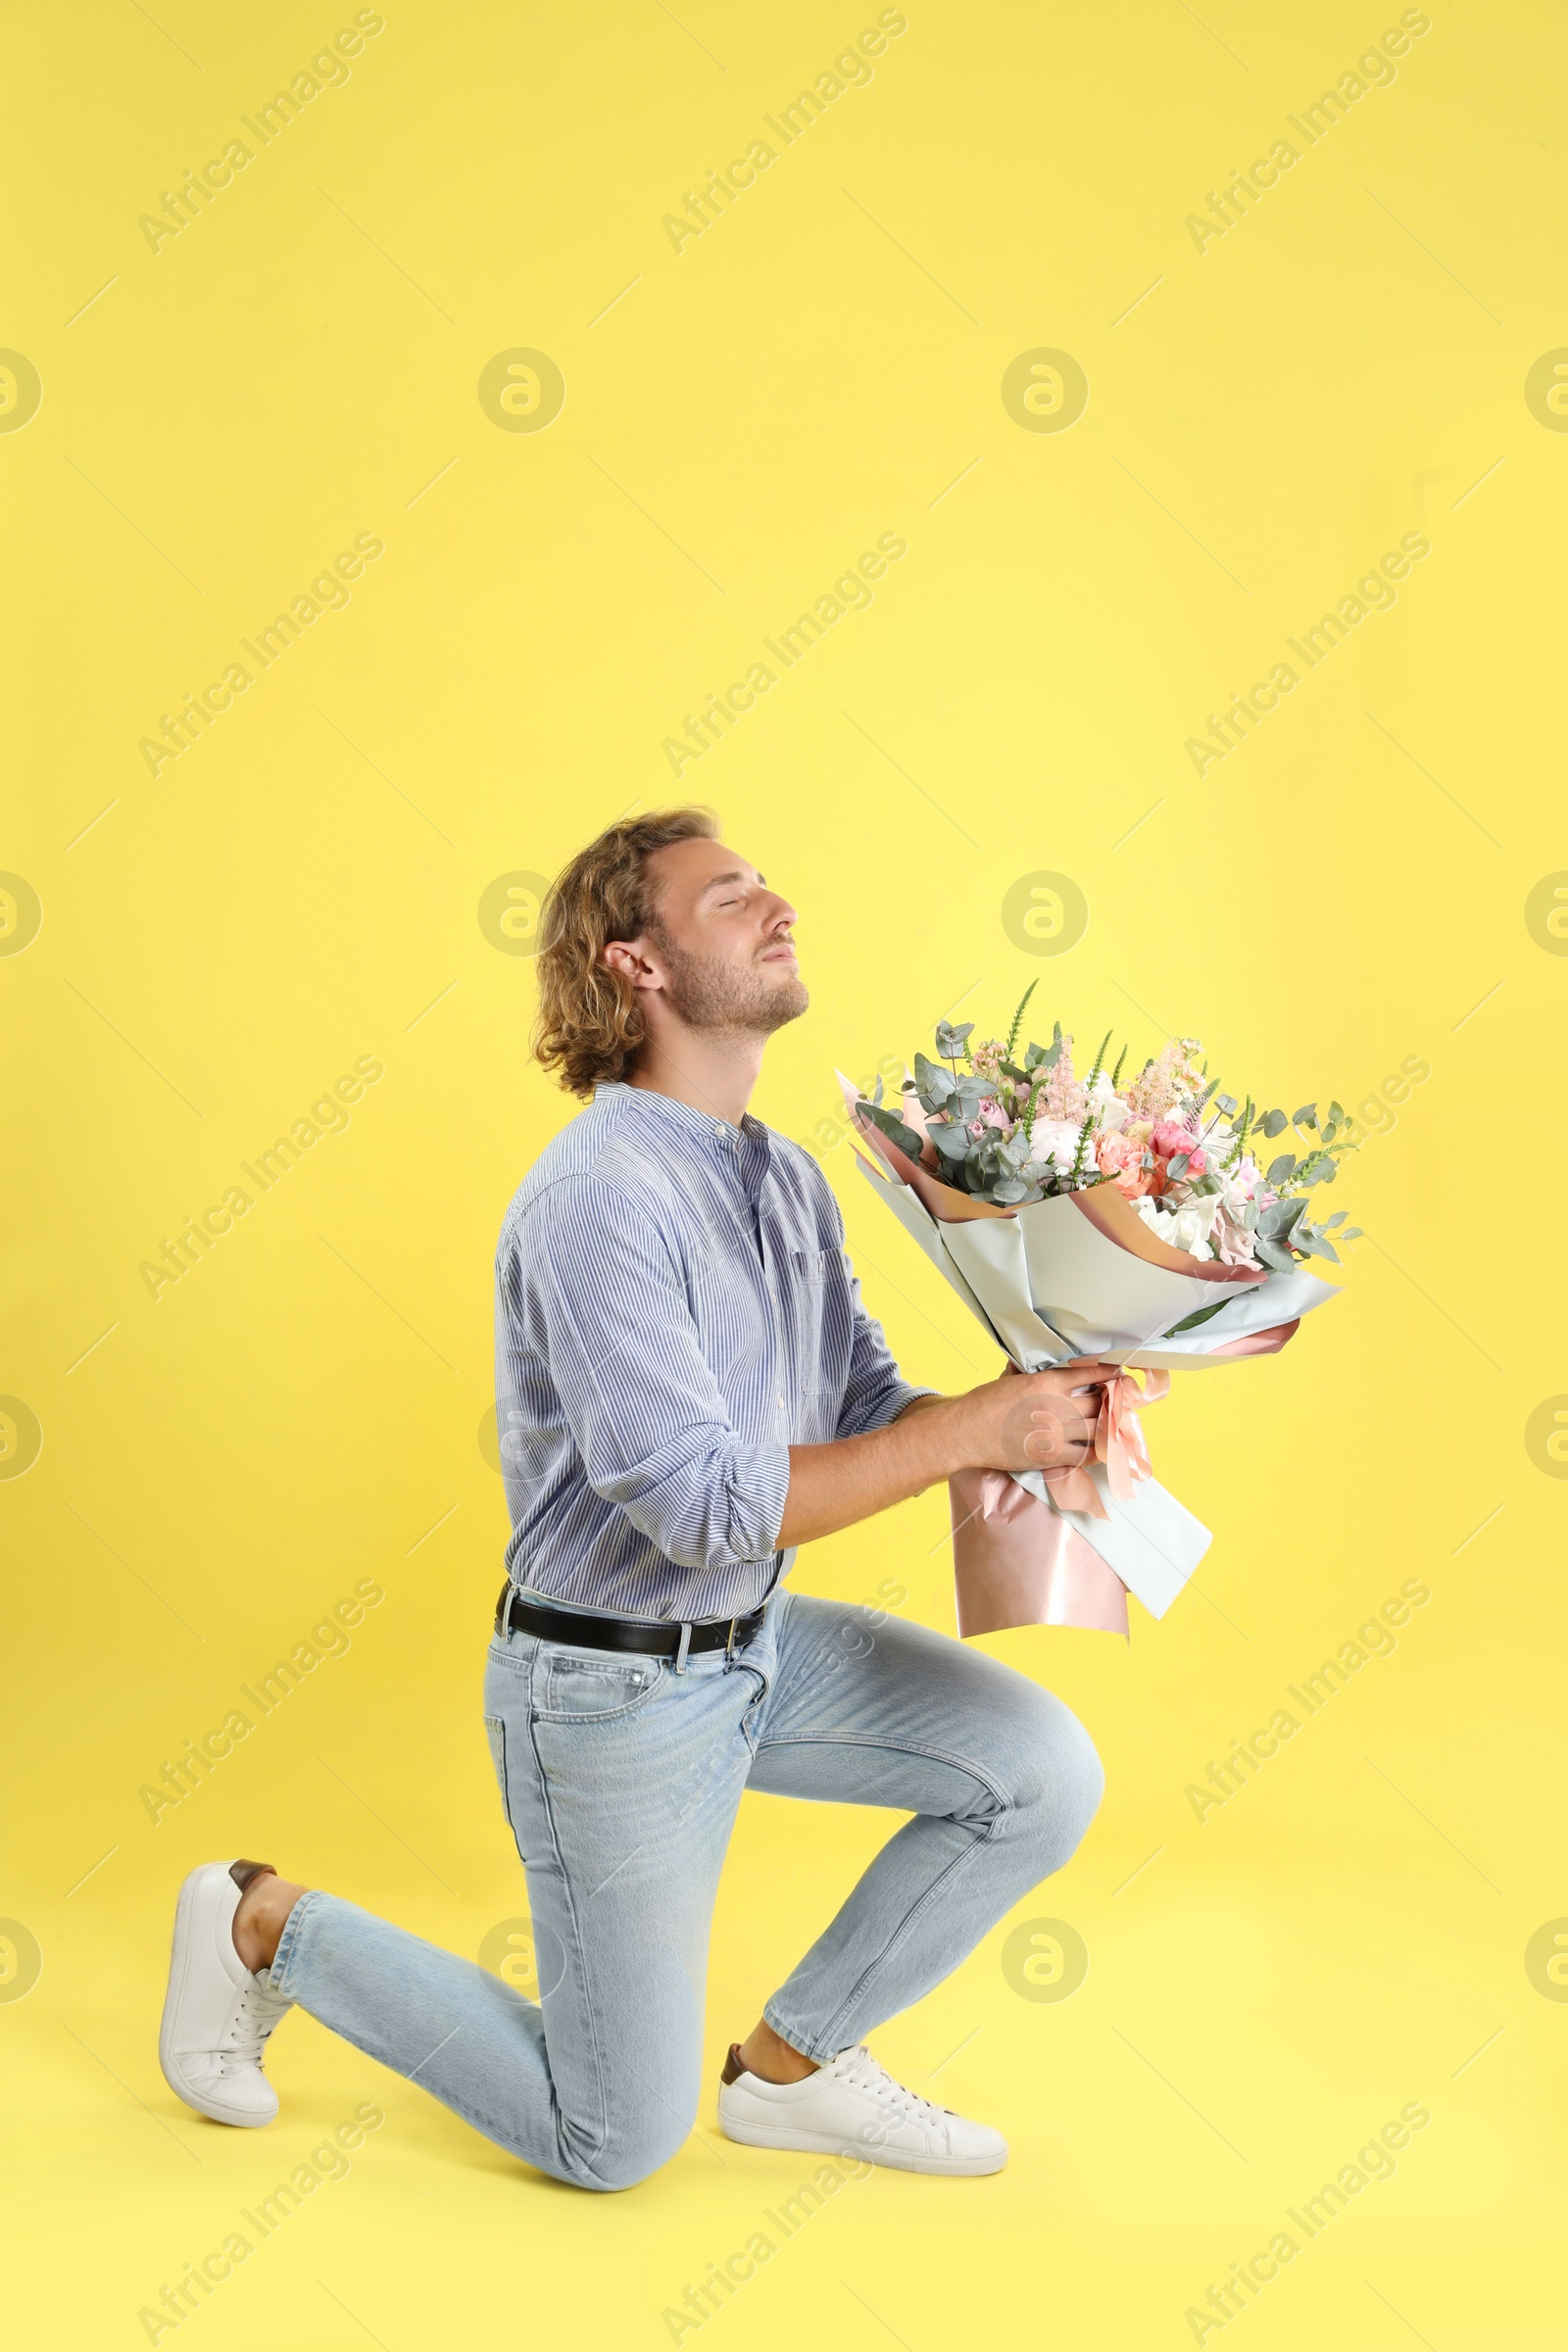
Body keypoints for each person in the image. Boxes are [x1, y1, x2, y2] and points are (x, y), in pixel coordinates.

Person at [159, 806, 1110, 2189]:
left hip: (756, 1649)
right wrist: (973, 1430)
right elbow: (702, 1508)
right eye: (730, 899)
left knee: (1041, 1772)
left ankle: (792, 2070)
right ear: (637, 967)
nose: (778, 905)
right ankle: (259, 1922)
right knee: (611, 2142)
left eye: (767, 884)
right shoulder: (600, 1196)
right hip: (607, 1698)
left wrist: (1043, 1409)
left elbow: (863, 1417)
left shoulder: (783, 1175)